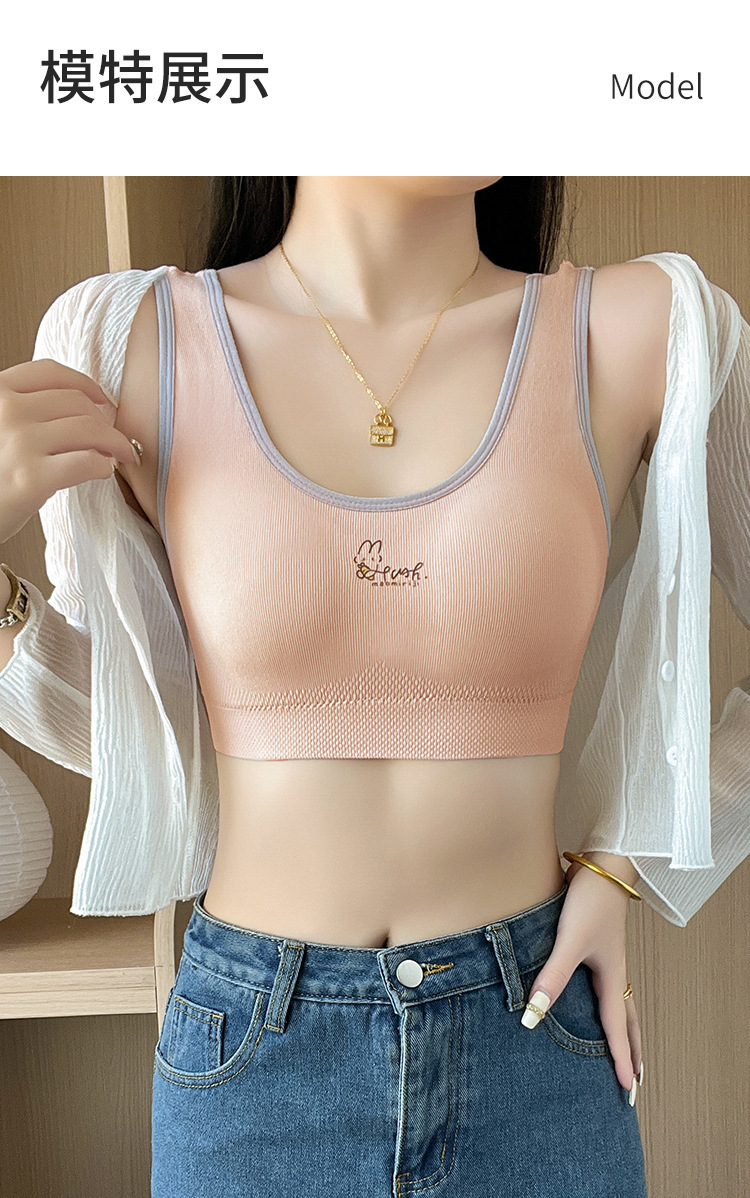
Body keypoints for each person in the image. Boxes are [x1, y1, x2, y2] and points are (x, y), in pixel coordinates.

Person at [0, 176, 748, 1198]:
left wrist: (633, 860)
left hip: (533, 1031)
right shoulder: (124, 341)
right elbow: (129, 740)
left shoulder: (644, 329)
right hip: (254, 1058)